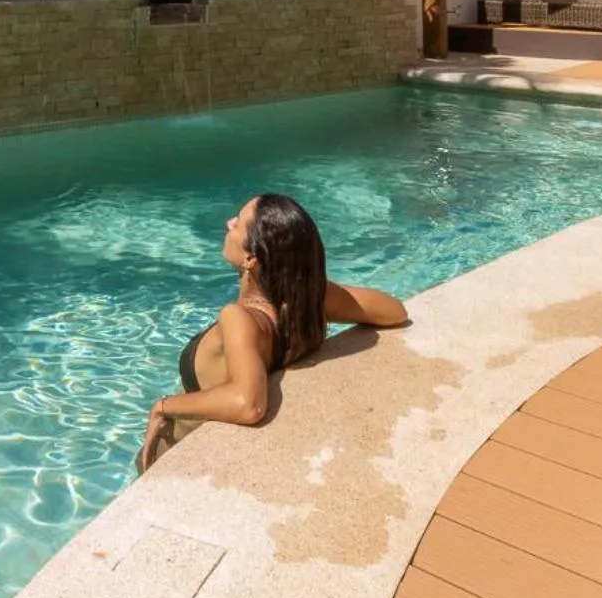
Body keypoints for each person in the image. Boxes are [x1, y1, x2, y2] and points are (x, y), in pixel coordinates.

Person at [136, 193, 408, 472]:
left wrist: (163, 406)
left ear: (251, 258)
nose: (229, 223)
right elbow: (394, 310)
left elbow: (249, 404)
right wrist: (316, 288)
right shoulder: (307, 303)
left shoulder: (239, 320)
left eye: (238, 223)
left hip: (182, 451)